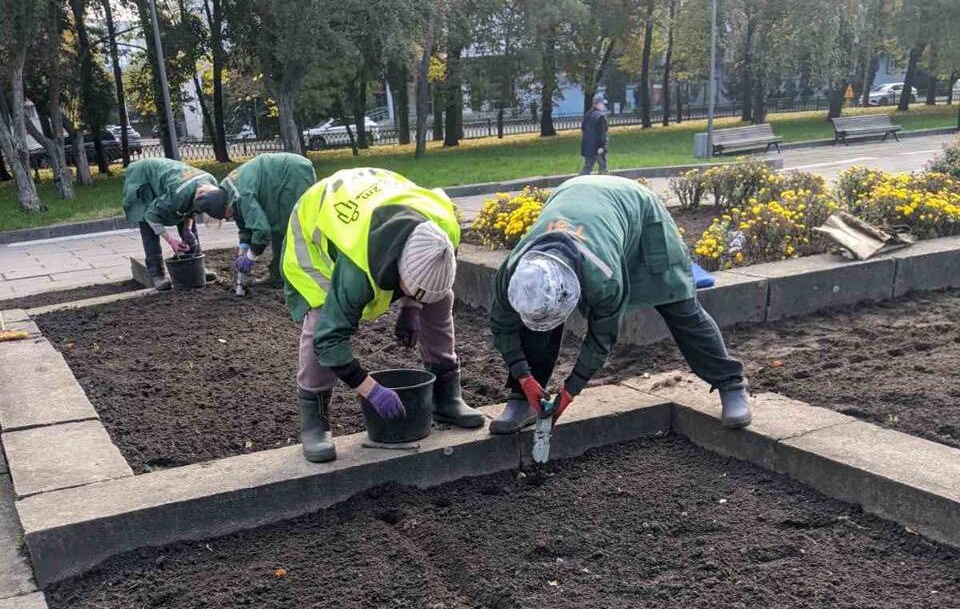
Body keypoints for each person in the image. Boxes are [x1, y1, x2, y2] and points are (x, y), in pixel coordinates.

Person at [488, 175, 751, 434]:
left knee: (679, 305)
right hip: (577, 196)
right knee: (536, 322)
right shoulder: (514, 272)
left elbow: (601, 338)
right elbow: (502, 328)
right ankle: (523, 400)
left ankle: (730, 383)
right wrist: (524, 377)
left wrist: (570, 391)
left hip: (639, 213)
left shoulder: (603, 278)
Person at [283, 168, 485, 463]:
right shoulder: (357, 269)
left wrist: (413, 306)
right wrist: (370, 389)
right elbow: (330, 340)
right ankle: (315, 420)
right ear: (398, 269)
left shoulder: (443, 230)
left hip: (378, 193)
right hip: (316, 225)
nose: (415, 297)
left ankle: (446, 396)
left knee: (441, 299)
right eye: (412, 291)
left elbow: (427, 276)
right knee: (320, 319)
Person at [123, 157, 228, 290]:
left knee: (186, 224)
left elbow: (192, 209)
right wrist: (170, 240)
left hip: (172, 180)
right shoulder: (177, 195)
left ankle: (197, 268)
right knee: (147, 225)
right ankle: (157, 274)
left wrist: (187, 230)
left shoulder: (211, 184)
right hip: (143, 176)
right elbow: (151, 215)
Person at [220, 153, 317, 287]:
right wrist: (243, 248)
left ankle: (302, 275)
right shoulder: (229, 191)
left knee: (291, 226)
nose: (228, 218)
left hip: (292, 174)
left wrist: (250, 257)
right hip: (275, 180)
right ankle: (279, 274)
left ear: (225, 205)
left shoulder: (241, 195)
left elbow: (262, 231)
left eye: (226, 216)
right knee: (278, 227)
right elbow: (245, 225)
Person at [580, 94, 609, 175]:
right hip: (598, 147)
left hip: (587, 146)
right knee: (603, 167)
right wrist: (602, 147)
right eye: (603, 104)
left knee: (587, 167)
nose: (604, 106)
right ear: (598, 104)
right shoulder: (601, 116)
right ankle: (603, 185)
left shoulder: (587, 114)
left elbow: (583, 128)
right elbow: (602, 133)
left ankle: (578, 182)